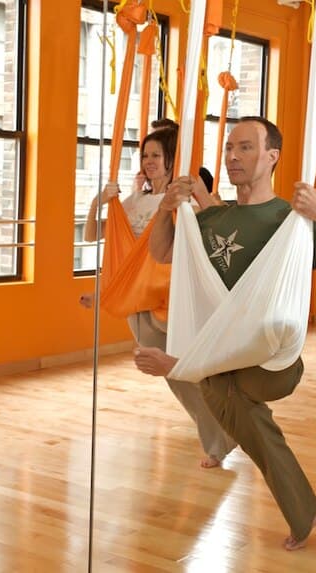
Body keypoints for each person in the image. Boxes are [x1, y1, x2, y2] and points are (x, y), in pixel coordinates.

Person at [133, 116, 316, 550]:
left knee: (217, 386)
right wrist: (167, 208)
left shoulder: (291, 221)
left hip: (273, 360)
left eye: (245, 148)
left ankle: (184, 367)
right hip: (227, 364)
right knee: (226, 394)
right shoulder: (213, 219)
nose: (232, 157)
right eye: (229, 148)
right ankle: (303, 509)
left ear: (272, 157)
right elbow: (163, 251)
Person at [82, 126, 236, 469]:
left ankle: (220, 438)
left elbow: (208, 234)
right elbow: (97, 237)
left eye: (156, 155)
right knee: (179, 373)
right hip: (137, 299)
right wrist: (98, 203)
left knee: (182, 372)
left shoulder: (180, 204)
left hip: (169, 296)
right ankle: (223, 432)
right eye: (145, 155)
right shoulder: (134, 201)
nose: (149, 162)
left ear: (171, 160)